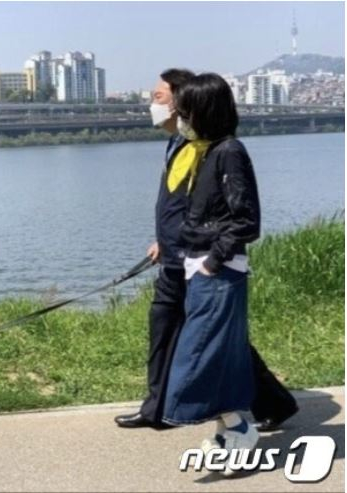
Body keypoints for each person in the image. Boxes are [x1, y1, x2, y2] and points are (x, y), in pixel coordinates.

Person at [114, 69, 298, 431]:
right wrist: (163, 241)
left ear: (193, 103)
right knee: (173, 330)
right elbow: (182, 206)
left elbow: (236, 216)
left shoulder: (214, 149)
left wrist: (211, 262)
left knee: (210, 341)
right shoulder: (181, 145)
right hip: (177, 256)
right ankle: (162, 409)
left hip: (199, 262)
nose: (157, 105)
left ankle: (236, 419)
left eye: (161, 97)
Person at [160, 72, 265, 472]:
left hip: (217, 271)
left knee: (197, 355)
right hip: (203, 268)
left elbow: (246, 221)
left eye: (185, 112)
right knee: (222, 355)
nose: (179, 118)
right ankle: (230, 429)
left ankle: (239, 427)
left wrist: (211, 260)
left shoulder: (228, 152)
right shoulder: (206, 150)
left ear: (204, 111)